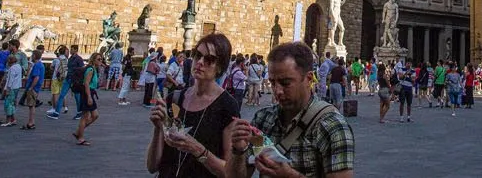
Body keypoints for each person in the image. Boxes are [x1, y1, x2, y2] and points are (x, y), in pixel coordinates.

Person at [222, 41, 354, 178]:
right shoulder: (263, 118)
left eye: (286, 83)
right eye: (273, 83)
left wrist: (290, 175)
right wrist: (238, 150)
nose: (277, 91)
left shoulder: (332, 127)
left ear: (309, 79)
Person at [147, 32, 242, 177]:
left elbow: (229, 172)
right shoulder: (174, 99)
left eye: (209, 59)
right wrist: (158, 128)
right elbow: (152, 166)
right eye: (197, 55)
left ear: (220, 67)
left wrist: (196, 149)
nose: (200, 62)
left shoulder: (227, 106)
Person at [74, 52, 103, 145]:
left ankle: (79, 132)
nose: (100, 61)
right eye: (98, 59)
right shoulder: (90, 69)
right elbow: (86, 83)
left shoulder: (94, 69)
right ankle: (80, 138)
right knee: (85, 116)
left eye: (101, 59)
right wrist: (89, 96)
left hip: (90, 93)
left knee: (95, 115)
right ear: (93, 60)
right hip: (87, 93)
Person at [21, 48, 45, 129]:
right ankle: (31, 122)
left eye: (32, 55)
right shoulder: (41, 64)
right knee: (32, 105)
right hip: (36, 87)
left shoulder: (37, 65)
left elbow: (36, 77)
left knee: (31, 106)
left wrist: (31, 87)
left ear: (34, 56)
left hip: (33, 88)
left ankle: (31, 122)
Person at [0, 50, 23, 127]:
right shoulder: (19, 66)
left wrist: (7, 89)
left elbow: (10, 80)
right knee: (12, 103)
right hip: (17, 87)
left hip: (12, 87)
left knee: (8, 104)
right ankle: (13, 119)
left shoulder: (12, 68)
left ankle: (8, 120)